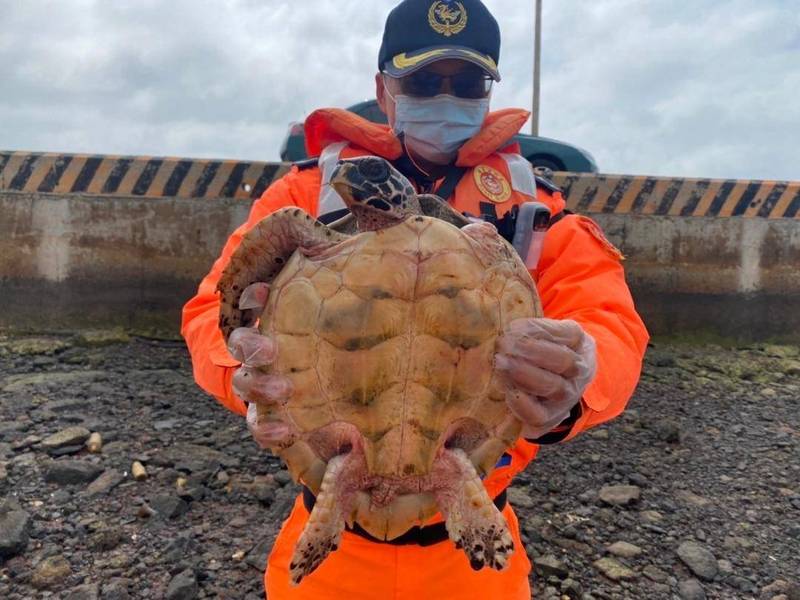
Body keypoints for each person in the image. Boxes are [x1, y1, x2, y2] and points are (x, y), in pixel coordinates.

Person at [181, 0, 649, 598]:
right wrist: (242, 371)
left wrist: (580, 376)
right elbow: (208, 314)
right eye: (423, 80)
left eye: (468, 81)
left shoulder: (536, 215)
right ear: (384, 89)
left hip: (469, 522)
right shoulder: (305, 194)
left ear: (489, 89)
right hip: (333, 519)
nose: (445, 95)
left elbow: (608, 322)